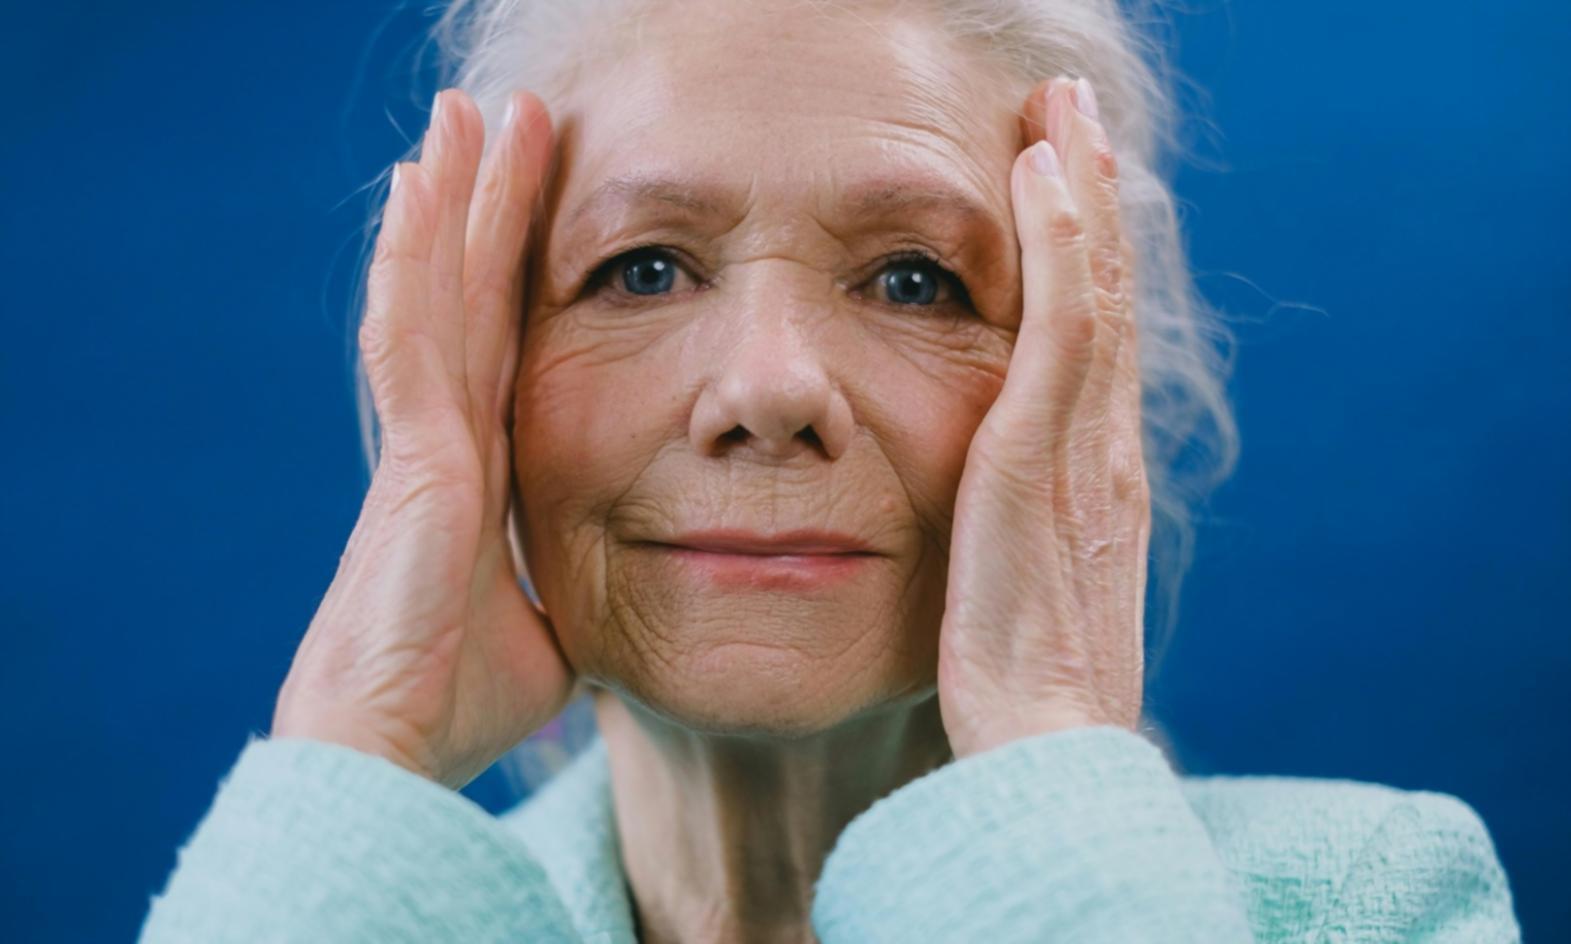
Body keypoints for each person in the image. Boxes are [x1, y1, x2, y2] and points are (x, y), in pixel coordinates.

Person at [138, 0, 1522, 941]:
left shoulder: (1371, 899)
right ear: (485, 367)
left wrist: (1046, 736)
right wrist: (355, 742)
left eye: (915, 279)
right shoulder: (316, 900)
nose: (769, 389)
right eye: (644, 267)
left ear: (1086, 382)